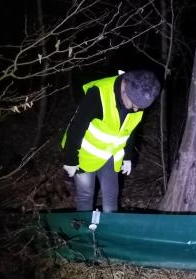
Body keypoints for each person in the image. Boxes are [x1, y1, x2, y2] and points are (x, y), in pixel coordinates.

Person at [61, 69, 161, 212]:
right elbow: (77, 127)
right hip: (85, 153)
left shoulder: (138, 99)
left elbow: (129, 129)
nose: (136, 109)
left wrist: (127, 156)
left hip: (110, 154)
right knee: (85, 195)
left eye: (140, 107)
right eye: (134, 104)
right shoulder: (98, 95)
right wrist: (71, 159)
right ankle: (84, 227)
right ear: (125, 90)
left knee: (111, 195)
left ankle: (109, 225)